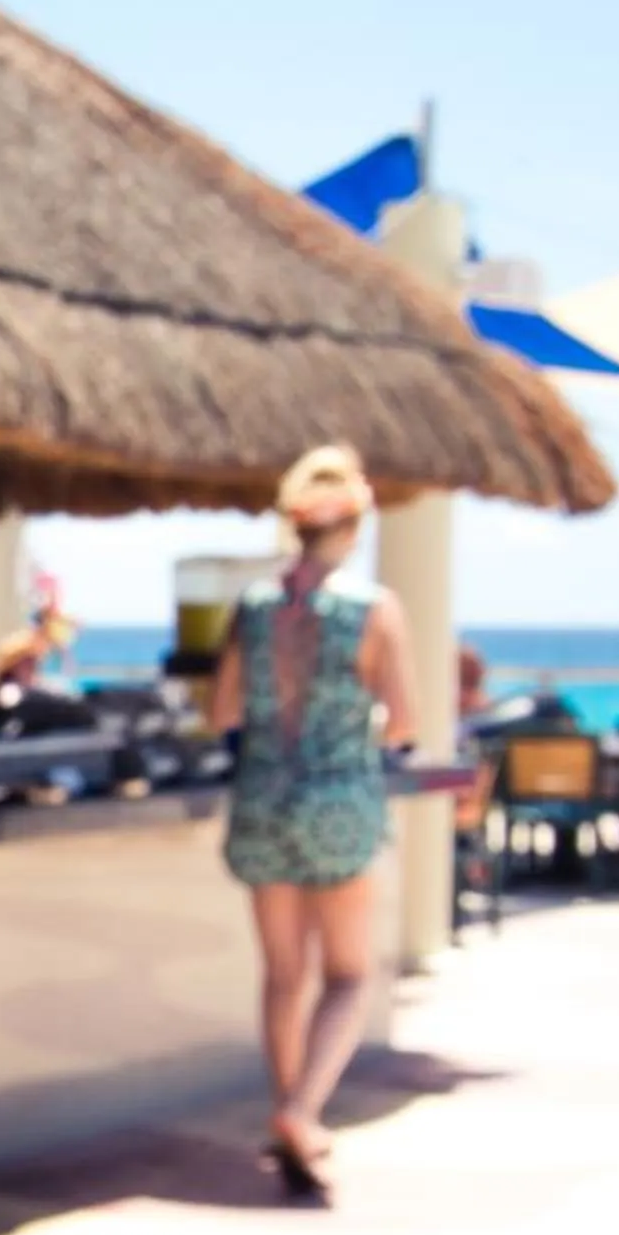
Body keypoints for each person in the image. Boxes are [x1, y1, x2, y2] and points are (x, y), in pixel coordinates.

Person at [208, 446, 414, 1196]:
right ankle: (302, 1111)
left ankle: (285, 1115)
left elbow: (222, 711)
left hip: (261, 796)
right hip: (337, 800)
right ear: (353, 523)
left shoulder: (256, 606)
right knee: (349, 976)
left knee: (283, 976)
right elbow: (405, 724)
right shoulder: (373, 608)